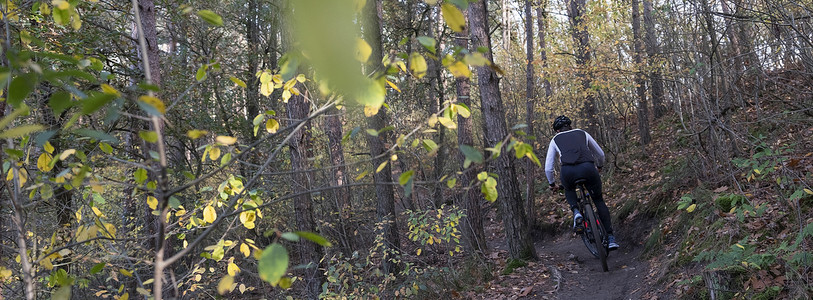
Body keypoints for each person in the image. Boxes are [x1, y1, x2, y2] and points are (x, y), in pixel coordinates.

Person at [544, 116, 619, 250]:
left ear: (557, 130)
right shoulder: (582, 133)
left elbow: (548, 168)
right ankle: (610, 237)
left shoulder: (555, 139)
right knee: (598, 200)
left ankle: (576, 211)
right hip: (588, 168)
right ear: (570, 126)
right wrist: (599, 166)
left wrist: (552, 184)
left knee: (569, 189)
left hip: (568, 172)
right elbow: (600, 154)